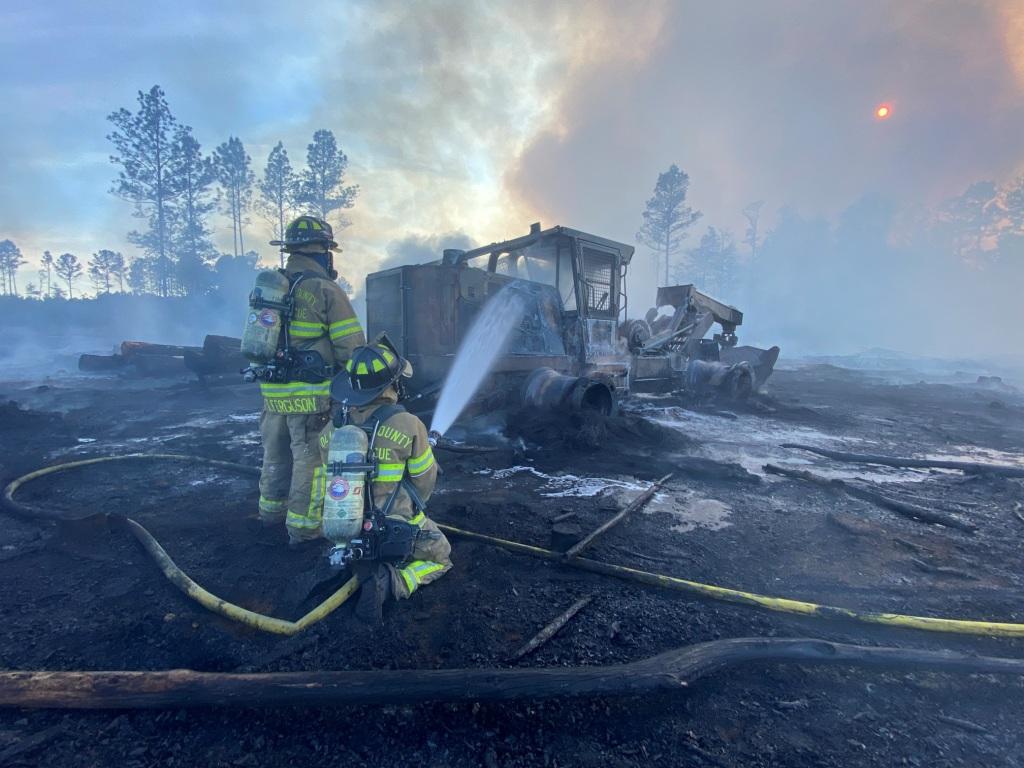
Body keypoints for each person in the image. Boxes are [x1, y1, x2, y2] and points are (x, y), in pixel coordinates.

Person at [258, 216, 366, 544]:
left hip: (273, 393)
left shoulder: (272, 289)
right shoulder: (324, 289)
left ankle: (270, 514)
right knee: (310, 460)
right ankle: (304, 530)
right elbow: (351, 347)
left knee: (275, 455)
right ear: (322, 251)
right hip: (310, 397)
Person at [330, 337, 452, 623]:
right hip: (391, 525)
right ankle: (392, 582)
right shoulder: (408, 424)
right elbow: (424, 483)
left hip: (343, 522)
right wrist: (413, 512)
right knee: (441, 556)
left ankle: (345, 564)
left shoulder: (336, 426)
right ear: (392, 385)